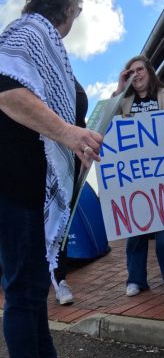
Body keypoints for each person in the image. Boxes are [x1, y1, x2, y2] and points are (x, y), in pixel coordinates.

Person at [0, 0, 102, 358]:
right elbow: (7, 94)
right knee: (23, 287)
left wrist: (71, 143)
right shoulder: (26, 33)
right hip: (15, 184)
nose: (78, 15)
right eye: (78, 7)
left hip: (32, 185)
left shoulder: (47, 45)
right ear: (69, 6)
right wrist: (69, 133)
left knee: (36, 282)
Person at [112, 55, 164, 297]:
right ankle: (136, 280)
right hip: (135, 174)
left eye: (140, 69)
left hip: (162, 171)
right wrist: (119, 88)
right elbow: (107, 123)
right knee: (135, 229)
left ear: (149, 71)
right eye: (131, 72)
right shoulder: (124, 102)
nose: (137, 75)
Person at [50, 78, 89, 305]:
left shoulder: (67, 75)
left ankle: (59, 278)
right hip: (38, 159)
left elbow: (81, 123)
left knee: (61, 221)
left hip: (69, 161)